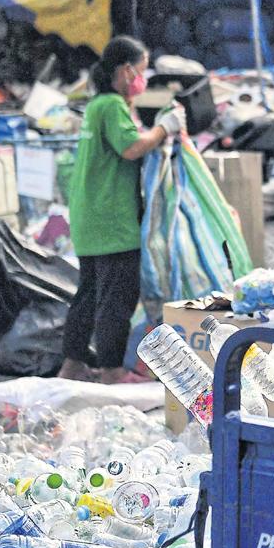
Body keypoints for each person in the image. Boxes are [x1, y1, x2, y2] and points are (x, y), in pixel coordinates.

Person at [59, 36, 186, 384]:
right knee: (118, 297)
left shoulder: (97, 106)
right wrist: (165, 127)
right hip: (112, 218)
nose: (143, 80)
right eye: (142, 71)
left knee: (87, 296)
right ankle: (112, 370)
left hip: (89, 217)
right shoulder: (112, 105)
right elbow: (131, 148)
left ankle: (72, 364)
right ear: (127, 71)